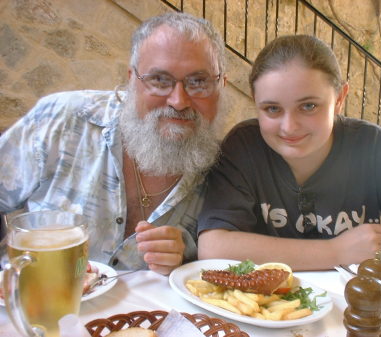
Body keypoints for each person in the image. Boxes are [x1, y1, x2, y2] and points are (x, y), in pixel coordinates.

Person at [197, 34, 381, 271]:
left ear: (340, 98)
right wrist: (335, 251)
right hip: (265, 312)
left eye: (308, 106)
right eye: (272, 109)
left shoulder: (375, 148)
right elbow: (213, 247)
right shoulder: (244, 148)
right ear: (255, 102)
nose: (289, 127)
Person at [0, 12, 227, 275]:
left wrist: (186, 258)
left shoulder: (227, 169)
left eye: (198, 82)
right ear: (132, 79)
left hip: (144, 316)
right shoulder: (64, 119)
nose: (178, 101)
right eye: (160, 80)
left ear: (222, 84)